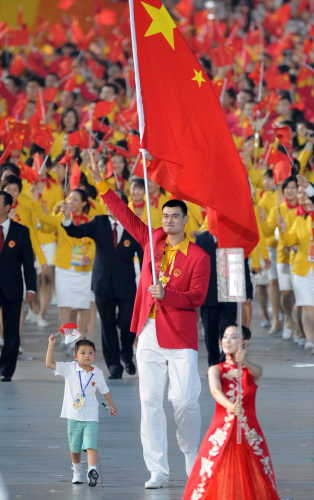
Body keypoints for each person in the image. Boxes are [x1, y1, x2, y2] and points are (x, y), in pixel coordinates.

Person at [96, 177, 210, 489]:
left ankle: (191, 458)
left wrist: (167, 295)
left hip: (180, 336)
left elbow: (197, 297)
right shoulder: (151, 240)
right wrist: (104, 186)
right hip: (148, 332)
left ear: (186, 220)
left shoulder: (199, 256)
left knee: (185, 401)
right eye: (165, 216)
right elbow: (125, 216)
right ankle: (157, 469)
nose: (169, 221)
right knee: (149, 401)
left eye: (175, 216)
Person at [183, 323, 280, 500]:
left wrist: (244, 362)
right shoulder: (216, 369)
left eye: (234, 336)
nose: (228, 341)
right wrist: (230, 406)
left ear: (245, 343)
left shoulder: (251, 371)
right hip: (222, 428)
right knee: (214, 465)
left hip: (248, 429)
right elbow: (215, 391)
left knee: (254, 467)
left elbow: (257, 373)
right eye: (225, 337)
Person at [61, 195, 143, 379]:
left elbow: (144, 255)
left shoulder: (134, 225)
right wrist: (67, 219)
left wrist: (149, 280)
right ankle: (114, 365)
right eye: (107, 205)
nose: (109, 208)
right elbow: (76, 231)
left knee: (126, 323)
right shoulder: (99, 222)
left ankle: (127, 354)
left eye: (114, 204)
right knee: (107, 325)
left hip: (126, 286)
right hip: (102, 284)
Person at [45, 336, 117, 486]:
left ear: (95, 355)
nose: (87, 356)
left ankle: (92, 469)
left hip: (91, 416)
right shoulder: (69, 368)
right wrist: (51, 345)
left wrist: (111, 405)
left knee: (91, 444)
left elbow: (105, 391)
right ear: (75, 356)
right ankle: (77, 471)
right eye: (83, 353)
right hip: (73, 415)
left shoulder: (97, 372)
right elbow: (49, 364)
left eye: (90, 353)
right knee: (75, 447)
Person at [0, 191, 37, 381]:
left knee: (11, 330)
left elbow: (28, 263)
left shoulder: (21, 231)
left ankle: (7, 370)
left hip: (12, 288)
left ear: (8, 207)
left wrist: (31, 288)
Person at [195, 230, 237, 366]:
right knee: (210, 331)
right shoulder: (202, 239)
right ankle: (213, 364)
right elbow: (197, 264)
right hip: (209, 292)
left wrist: (245, 288)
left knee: (228, 329)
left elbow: (240, 261)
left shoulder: (232, 235)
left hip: (229, 290)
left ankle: (225, 361)